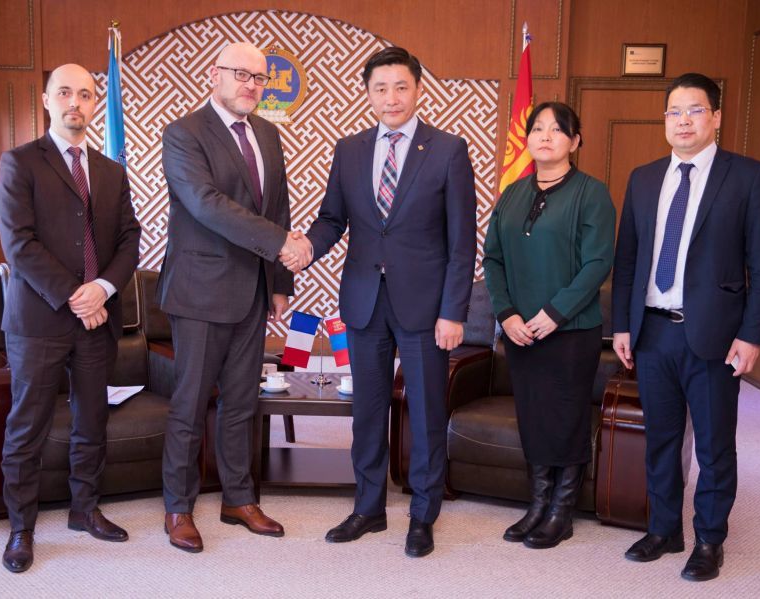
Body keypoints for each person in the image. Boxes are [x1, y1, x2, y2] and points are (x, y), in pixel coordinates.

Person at [289, 46, 476, 558]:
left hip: (426, 307)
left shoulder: (448, 150)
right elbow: (332, 219)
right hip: (364, 301)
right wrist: (306, 248)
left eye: (400, 87)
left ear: (418, 90)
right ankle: (368, 508)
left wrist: (453, 311)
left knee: (426, 411)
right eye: (380, 88)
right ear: (367, 93)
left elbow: (462, 241)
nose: (391, 98)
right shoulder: (349, 149)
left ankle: (423, 515)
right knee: (367, 412)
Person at [612, 73, 760, 581]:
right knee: (661, 439)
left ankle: (709, 539)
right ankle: (664, 529)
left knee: (713, 445)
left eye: (695, 110)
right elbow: (627, 260)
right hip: (652, 332)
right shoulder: (644, 178)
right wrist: (622, 326)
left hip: (715, 335)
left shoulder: (747, 177)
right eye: (674, 111)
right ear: (665, 119)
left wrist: (752, 335)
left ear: (716, 117)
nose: (683, 121)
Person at [156, 41, 312, 553]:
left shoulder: (267, 133)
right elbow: (207, 204)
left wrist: (280, 283)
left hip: (254, 291)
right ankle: (178, 507)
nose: (250, 84)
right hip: (200, 293)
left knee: (242, 402)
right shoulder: (184, 133)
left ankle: (238, 499)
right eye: (240, 74)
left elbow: (278, 207)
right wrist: (282, 243)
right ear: (214, 74)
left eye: (259, 77)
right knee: (191, 404)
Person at [0, 63, 142, 573]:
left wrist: (102, 288)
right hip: (40, 320)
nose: (74, 102)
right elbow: (19, 244)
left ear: (95, 103)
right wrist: (76, 295)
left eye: (84, 93)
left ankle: (85, 510)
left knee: (92, 420)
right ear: (46, 100)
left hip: (98, 319)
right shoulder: (19, 162)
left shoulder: (110, 170)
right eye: (64, 92)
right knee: (27, 426)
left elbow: (129, 239)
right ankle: (21, 528)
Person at [483, 101, 615, 549]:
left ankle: (562, 511)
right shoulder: (512, 193)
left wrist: (554, 313)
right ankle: (538, 505)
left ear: (575, 141)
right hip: (520, 331)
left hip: (570, 330)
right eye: (537, 128)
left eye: (557, 130)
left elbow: (598, 263)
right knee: (533, 417)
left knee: (566, 418)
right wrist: (506, 313)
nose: (545, 136)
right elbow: (493, 259)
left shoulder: (591, 193)